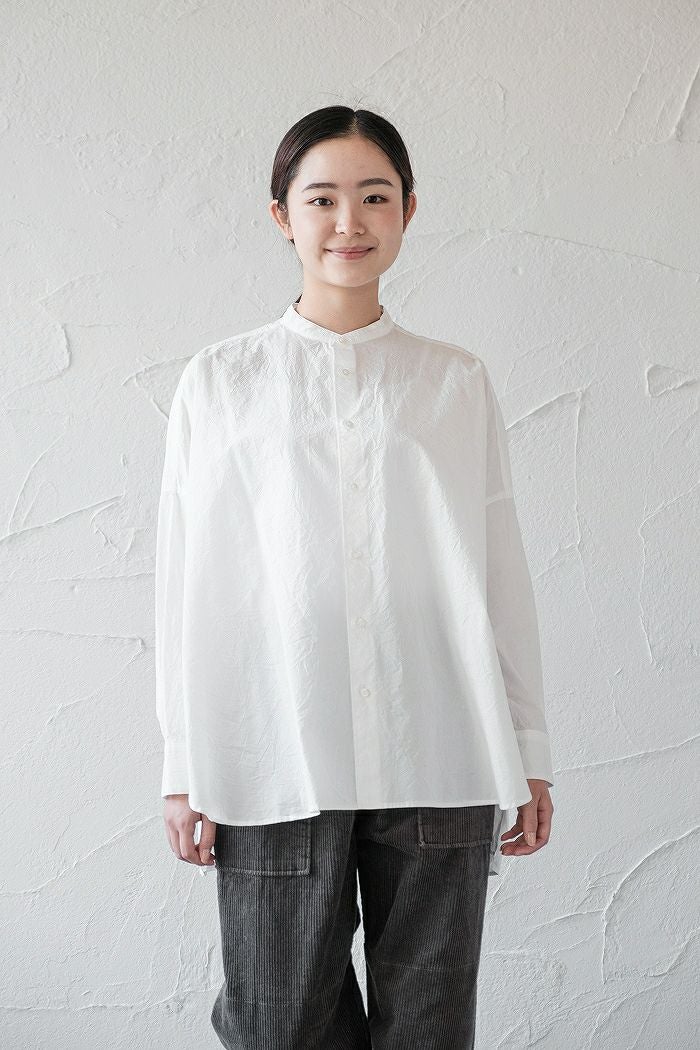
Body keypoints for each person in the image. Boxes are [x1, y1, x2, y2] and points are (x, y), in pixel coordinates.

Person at [155, 105, 554, 1049]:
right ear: (281, 216)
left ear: (408, 210)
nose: (349, 222)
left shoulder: (455, 381)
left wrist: (527, 746)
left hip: (441, 744)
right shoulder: (220, 382)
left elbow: (498, 569)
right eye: (322, 199)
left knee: (429, 1029)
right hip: (273, 749)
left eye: (375, 197)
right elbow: (188, 583)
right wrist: (184, 763)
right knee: (278, 1024)